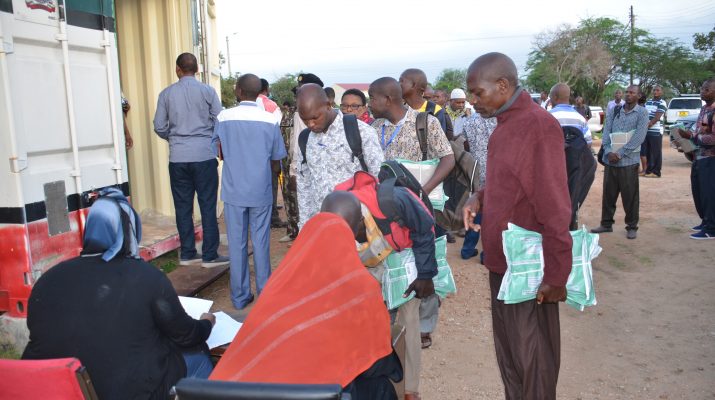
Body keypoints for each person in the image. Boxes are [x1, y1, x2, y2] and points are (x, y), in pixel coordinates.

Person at [23, 188, 215, 400]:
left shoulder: (48, 280)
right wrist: (207, 323)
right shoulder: (145, 277)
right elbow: (186, 335)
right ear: (129, 230)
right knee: (199, 356)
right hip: (129, 390)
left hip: (58, 390)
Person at [462, 53, 573, 400]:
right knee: (511, 358)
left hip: (529, 271)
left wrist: (557, 274)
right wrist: (479, 197)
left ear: (502, 85)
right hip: (503, 264)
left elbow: (554, 205)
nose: (472, 100)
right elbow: (509, 182)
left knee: (533, 361)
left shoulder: (537, 125)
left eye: (477, 92)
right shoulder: (505, 125)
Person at [210, 209, 400, 400]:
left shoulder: (279, 283)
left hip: (235, 390)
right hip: (312, 392)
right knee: (380, 386)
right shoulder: (360, 288)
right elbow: (376, 362)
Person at [369, 77, 454, 399]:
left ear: (388, 98)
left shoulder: (424, 123)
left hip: (419, 214)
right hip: (386, 218)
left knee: (422, 272)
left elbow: (448, 158)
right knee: (390, 280)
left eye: (372, 98)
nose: (369, 104)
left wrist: (424, 191)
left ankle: (422, 333)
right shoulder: (374, 128)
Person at [333, 171, 437, 400]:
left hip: (404, 257)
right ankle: (375, 375)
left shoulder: (394, 200)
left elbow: (424, 228)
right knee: (367, 319)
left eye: (355, 233)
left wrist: (425, 275)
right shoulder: (335, 216)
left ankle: (410, 390)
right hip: (370, 261)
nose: (352, 238)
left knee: (408, 318)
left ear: (360, 220)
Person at [212, 74, 287, 310]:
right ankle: (265, 295)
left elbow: (217, 151)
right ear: (260, 92)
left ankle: (240, 296)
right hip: (260, 190)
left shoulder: (223, 117)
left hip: (234, 190)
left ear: (238, 91)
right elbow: (277, 159)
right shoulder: (269, 120)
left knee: (237, 244)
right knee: (261, 242)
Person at [153, 52, 228, 267]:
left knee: (183, 207)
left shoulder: (166, 94)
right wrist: (210, 139)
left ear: (178, 69)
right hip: (204, 155)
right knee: (207, 205)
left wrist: (175, 138)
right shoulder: (207, 91)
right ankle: (209, 255)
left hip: (178, 158)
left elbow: (159, 126)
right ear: (196, 70)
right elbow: (220, 120)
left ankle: (187, 253)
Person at [295, 84, 384, 228]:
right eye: (304, 119)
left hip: (358, 226)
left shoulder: (361, 132)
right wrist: (304, 226)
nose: (310, 124)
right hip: (321, 225)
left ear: (328, 105)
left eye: (315, 117)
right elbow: (304, 185)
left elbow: (378, 177)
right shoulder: (305, 138)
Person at [591, 84, 649, 239]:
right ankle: (606, 224)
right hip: (610, 161)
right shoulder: (614, 110)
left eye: (632, 92)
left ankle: (632, 226)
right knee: (608, 195)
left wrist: (620, 154)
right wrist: (608, 151)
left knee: (630, 196)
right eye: (627, 92)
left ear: (638, 96)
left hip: (628, 162)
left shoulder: (642, 113)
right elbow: (606, 132)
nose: (628, 94)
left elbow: (639, 137)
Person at [677, 77, 715, 240]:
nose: (702, 92)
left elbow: (713, 138)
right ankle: (705, 221)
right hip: (698, 157)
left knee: (709, 194)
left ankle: (711, 229)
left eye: (706, 89)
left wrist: (693, 138)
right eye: (702, 89)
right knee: (699, 192)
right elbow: (699, 132)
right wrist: (685, 137)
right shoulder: (704, 109)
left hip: (710, 160)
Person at [461, 110, 497, 260]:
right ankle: (486, 254)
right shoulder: (499, 119)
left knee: (475, 208)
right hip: (496, 169)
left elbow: (465, 145)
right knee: (492, 212)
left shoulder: (469, 121)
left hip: (475, 169)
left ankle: (467, 249)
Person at [257, 78, 287, 229]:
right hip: (268, 153)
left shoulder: (245, 106)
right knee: (272, 184)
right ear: (266, 89)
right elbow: (278, 130)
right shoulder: (271, 105)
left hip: (251, 155)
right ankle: (273, 217)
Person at [400, 69, 452, 139]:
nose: (398, 84)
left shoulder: (435, 110)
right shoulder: (400, 110)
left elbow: (437, 141)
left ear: (414, 85)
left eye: (401, 81)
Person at [279, 101, 299, 242]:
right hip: (287, 162)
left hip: (305, 164)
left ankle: (304, 233)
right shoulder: (288, 115)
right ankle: (293, 230)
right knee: (289, 196)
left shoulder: (314, 115)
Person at [642, 85, 668, 177]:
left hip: (656, 131)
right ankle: (649, 171)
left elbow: (657, 117)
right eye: (654, 90)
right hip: (647, 131)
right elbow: (644, 114)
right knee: (648, 152)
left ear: (661, 92)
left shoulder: (662, 102)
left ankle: (656, 172)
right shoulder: (648, 102)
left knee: (656, 152)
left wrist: (647, 125)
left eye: (658, 90)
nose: (655, 92)